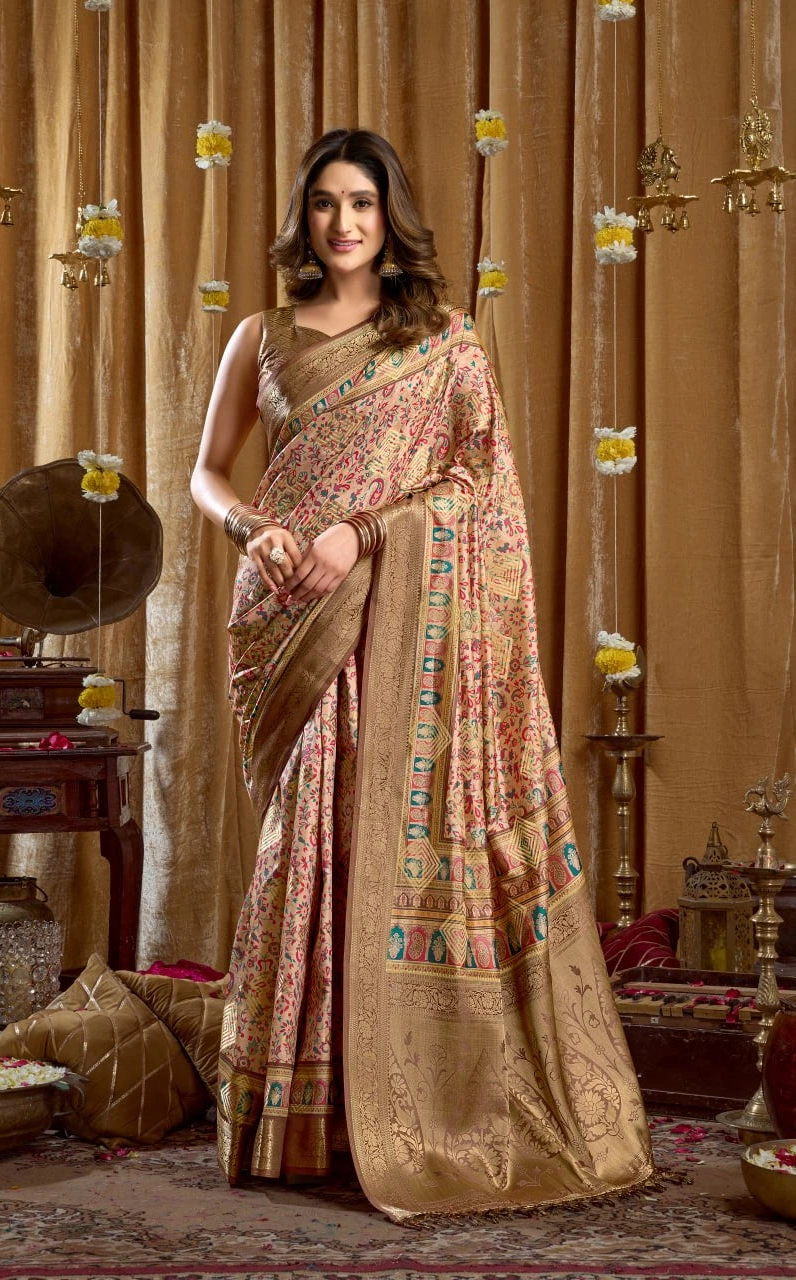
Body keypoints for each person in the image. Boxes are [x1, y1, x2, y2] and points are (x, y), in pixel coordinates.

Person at [191, 128, 653, 1222]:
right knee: (305, 846)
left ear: (391, 217)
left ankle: (399, 1108)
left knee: (383, 837)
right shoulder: (260, 333)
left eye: (361, 203)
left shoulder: (444, 344)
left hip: (390, 610)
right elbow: (208, 471)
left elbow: (480, 494)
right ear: (301, 219)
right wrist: (254, 529)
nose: (342, 224)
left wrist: (364, 532)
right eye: (323, 205)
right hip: (286, 617)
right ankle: (298, 1116)